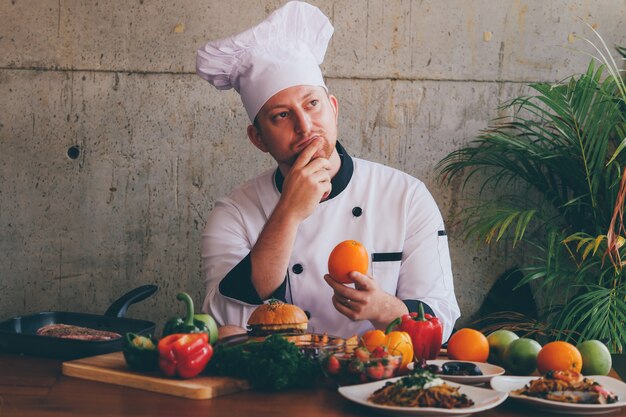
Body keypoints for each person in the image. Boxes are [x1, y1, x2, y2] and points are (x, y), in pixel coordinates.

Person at [196, 1, 460, 340]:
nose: (305, 126)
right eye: (281, 115)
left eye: (312, 104)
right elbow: (225, 321)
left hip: (379, 381)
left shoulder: (406, 196)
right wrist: (288, 214)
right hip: (282, 385)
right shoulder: (234, 212)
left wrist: (385, 309)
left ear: (333, 109)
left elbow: (442, 319)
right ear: (258, 138)